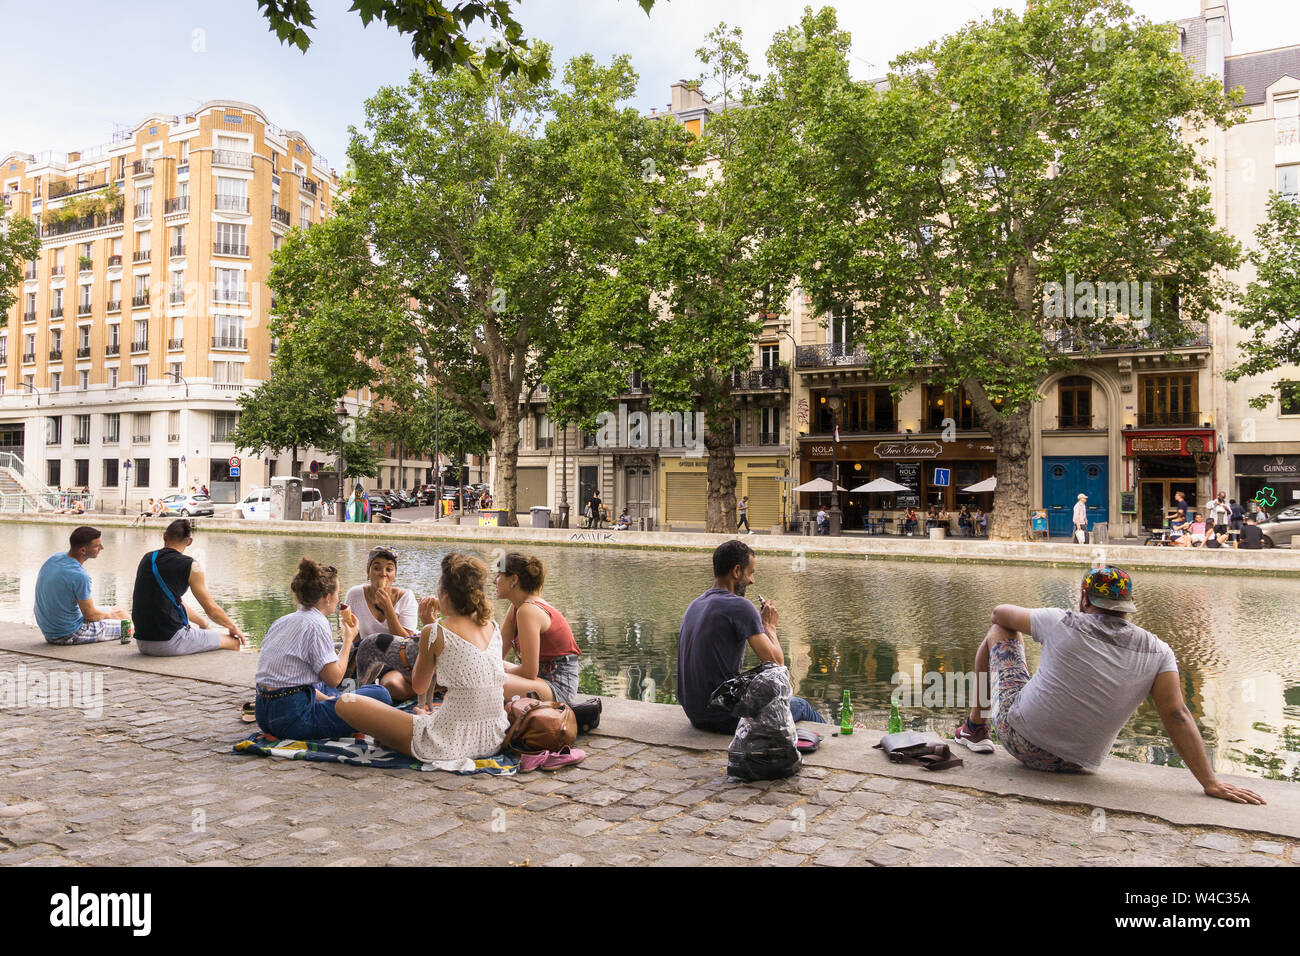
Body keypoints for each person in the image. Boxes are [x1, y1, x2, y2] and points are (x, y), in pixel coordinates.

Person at [953, 566, 1264, 805]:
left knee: (1001, 630)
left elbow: (999, 613)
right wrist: (1209, 781)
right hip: (1079, 762)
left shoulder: (1062, 621)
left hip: (1020, 739)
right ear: (1127, 604)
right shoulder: (1158, 651)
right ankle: (976, 727)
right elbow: (1177, 715)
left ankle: (975, 728)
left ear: (1085, 598)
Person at [334, 553, 510, 766]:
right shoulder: (493, 626)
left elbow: (419, 686)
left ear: (444, 594)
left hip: (447, 741)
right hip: (493, 736)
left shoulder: (435, 631)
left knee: (346, 702)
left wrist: (429, 627)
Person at [677, 540, 826, 734]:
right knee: (802, 705)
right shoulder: (740, 606)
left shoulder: (694, 605)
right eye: (751, 572)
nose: (752, 580)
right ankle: (839, 740)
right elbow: (777, 665)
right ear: (737, 571)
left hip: (695, 714)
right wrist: (769, 627)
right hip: (725, 718)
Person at [253, 559, 395, 740]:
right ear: (327, 597)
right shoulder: (317, 623)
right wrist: (348, 640)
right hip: (293, 719)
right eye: (337, 593)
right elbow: (334, 679)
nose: (338, 598)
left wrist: (329, 700)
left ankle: (337, 706)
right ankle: (344, 713)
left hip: (264, 714)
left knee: (327, 690)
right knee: (380, 694)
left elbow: (296, 681)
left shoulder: (283, 621)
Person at [131, 518, 247, 656]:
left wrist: (203, 624)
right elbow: (211, 609)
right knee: (233, 642)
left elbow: (174, 601)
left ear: (164, 536)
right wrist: (233, 627)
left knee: (203, 633)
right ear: (189, 541)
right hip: (170, 642)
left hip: (143, 643)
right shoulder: (191, 565)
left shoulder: (148, 558)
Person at [497, 553, 582, 704]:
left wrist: (495, 672)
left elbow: (529, 672)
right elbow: (496, 655)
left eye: (499, 575)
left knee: (487, 682)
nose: (494, 581)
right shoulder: (516, 608)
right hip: (540, 679)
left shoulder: (528, 610)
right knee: (478, 669)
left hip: (557, 686)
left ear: (514, 580)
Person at [350, 546, 427, 701]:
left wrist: (389, 611)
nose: (383, 573)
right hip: (366, 656)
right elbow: (354, 636)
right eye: (377, 567)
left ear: (394, 575)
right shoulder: (355, 595)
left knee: (390, 686)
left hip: (398, 660)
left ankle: (431, 687)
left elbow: (407, 644)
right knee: (349, 680)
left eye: (389, 569)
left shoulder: (406, 598)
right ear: (368, 572)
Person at [33, 527, 130, 645]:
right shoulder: (79, 576)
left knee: (121, 611)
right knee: (128, 626)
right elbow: (90, 615)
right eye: (97, 546)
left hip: (50, 629)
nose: (102, 548)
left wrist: (113, 614)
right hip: (68, 633)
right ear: (83, 551)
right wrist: (110, 616)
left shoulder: (54, 559)